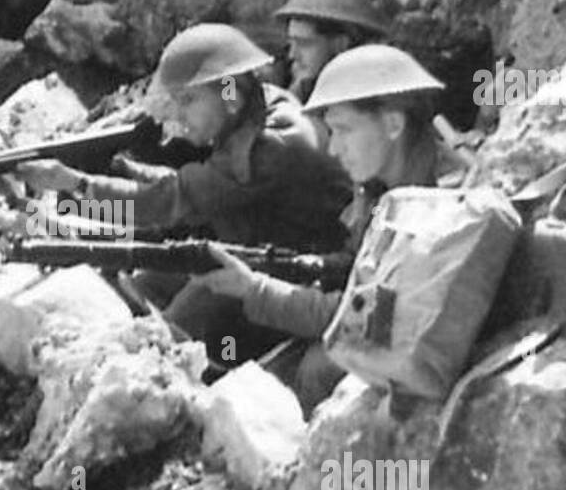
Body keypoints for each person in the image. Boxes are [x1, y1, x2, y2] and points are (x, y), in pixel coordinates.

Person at [18, 22, 353, 362]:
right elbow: (196, 189)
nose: (179, 115)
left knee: (168, 337)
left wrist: (76, 185)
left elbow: (167, 203)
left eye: (189, 100)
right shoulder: (264, 107)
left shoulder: (268, 148)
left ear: (229, 92)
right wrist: (117, 178)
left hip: (301, 283)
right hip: (262, 252)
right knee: (144, 282)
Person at [199, 43, 467, 412]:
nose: (334, 149)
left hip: (429, 356)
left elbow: (359, 321)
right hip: (385, 329)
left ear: (393, 124)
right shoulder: (381, 185)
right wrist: (287, 266)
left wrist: (256, 289)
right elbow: (353, 262)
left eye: (344, 131)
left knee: (317, 368)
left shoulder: (444, 203)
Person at [275, 0, 389, 103]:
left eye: (304, 44)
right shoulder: (303, 87)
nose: (292, 55)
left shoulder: (368, 98)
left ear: (340, 44)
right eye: (291, 43)